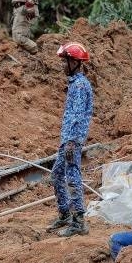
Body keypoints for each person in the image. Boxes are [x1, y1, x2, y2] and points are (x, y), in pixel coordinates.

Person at [47, 42, 94, 238]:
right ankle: (65, 213)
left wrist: (72, 142)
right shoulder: (75, 84)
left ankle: (79, 221)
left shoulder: (81, 86)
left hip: (71, 141)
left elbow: (76, 115)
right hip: (67, 140)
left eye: (65, 62)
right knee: (56, 175)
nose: (63, 66)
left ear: (74, 62)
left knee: (72, 177)